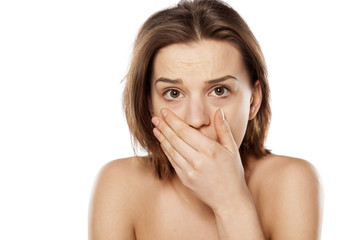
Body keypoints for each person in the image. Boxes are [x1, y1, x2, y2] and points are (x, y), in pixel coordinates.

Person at [89, 0, 323, 239]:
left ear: (253, 101)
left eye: (219, 90)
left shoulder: (292, 182)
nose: (196, 119)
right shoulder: (119, 185)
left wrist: (231, 201)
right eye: (173, 93)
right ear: (149, 105)